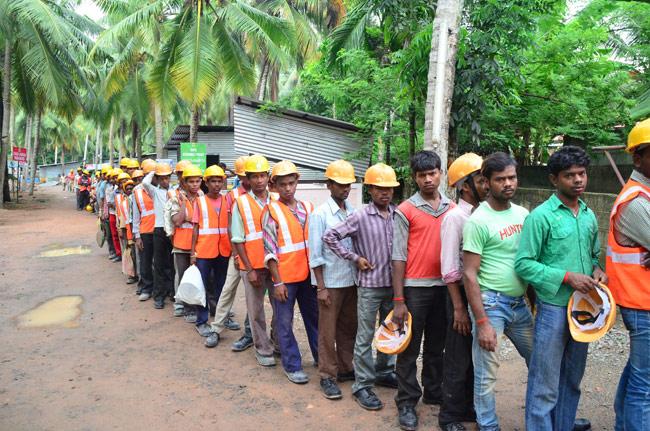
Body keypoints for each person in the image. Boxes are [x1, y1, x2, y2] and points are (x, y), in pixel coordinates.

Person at [514, 146, 605, 431]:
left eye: (582, 174)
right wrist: (567, 276)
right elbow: (524, 264)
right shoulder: (540, 217)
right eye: (570, 175)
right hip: (553, 309)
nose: (578, 180)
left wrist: (597, 270)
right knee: (545, 383)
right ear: (554, 180)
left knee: (572, 380)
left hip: (584, 308)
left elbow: (593, 256)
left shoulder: (589, 215)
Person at [462, 152, 533, 431]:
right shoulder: (478, 220)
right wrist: (481, 323)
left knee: (539, 359)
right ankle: (488, 425)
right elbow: (469, 273)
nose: (508, 184)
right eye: (500, 179)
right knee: (487, 373)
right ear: (486, 182)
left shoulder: (523, 214)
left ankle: (543, 416)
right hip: (491, 304)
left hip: (519, 304)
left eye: (512, 177)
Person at [323, 163, 399, 411]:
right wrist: (354, 257)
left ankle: (385, 371)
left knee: (390, 333)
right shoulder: (360, 216)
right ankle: (363, 385)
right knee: (365, 336)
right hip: (369, 286)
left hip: (393, 286)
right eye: (379, 188)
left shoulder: (398, 214)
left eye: (388, 188)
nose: (384, 193)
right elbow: (330, 236)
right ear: (370, 189)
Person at [390, 151, 454, 431]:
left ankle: (433, 391)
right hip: (415, 289)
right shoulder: (405, 210)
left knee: (437, 347)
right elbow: (398, 257)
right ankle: (406, 402)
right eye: (422, 175)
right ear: (415, 178)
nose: (428, 179)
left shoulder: (452, 208)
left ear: (441, 174)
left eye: (433, 173)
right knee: (408, 347)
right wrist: (399, 299)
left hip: (445, 287)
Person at [439, 153, 488, 431]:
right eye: (481, 181)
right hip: (458, 294)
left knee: (474, 356)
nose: (487, 185)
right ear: (466, 186)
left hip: (477, 294)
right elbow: (449, 268)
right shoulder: (455, 218)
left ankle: (468, 406)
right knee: (457, 356)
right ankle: (449, 416)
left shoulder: (482, 215)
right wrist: (458, 308)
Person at [608, 118, 650, 431]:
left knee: (637, 375)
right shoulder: (635, 201)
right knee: (644, 386)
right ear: (637, 158)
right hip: (642, 305)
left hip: (642, 302)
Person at [263, 160, 318, 384]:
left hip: (308, 277)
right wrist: (277, 282)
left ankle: (321, 358)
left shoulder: (308, 208)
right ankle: (292, 365)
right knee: (284, 324)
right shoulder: (271, 211)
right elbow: (269, 249)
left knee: (314, 320)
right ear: (275, 186)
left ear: (297, 182)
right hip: (285, 279)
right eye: (283, 184)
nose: (287, 188)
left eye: (291, 183)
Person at [309, 160, 358, 399]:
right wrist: (321, 287)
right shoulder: (320, 215)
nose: (345, 188)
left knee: (349, 328)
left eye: (348, 184)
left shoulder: (353, 211)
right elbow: (315, 254)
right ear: (329, 185)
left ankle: (346, 367)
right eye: (340, 184)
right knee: (327, 331)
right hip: (330, 282)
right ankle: (327, 375)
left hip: (351, 280)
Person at [231, 154, 277, 367]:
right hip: (253, 266)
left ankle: (277, 343)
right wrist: (248, 268)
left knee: (281, 308)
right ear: (247, 179)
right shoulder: (240, 203)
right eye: (254, 176)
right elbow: (238, 239)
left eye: (262, 175)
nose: (259, 180)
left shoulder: (277, 200)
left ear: (268, 177)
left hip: (276, 266)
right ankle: (263, 348)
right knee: (256, 310)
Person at [208, 156, 251, 349]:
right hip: (238, 251)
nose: (249, 180)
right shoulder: (232, 196)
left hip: (257, 254)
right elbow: (230, 228)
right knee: (228, 289)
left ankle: (250, 333)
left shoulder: (263, 196)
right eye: (246, 176)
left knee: (254, 296)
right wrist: (235, 254)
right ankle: (216, 328)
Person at [189, 165, 231, 347]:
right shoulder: (200, 201)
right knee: (203, 287)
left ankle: (222, 318)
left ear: (223, 182)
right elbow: (196, 228)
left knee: (223, 287)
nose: (216, 184)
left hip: (224, 250)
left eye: (219, 181)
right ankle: (201, 321)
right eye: (212, 181)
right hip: (204, 251)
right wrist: (193, 252)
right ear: (206, 183)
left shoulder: (228, 200)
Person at [142, 163, 174, 309]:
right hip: (159, 230)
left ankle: (172, 292)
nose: (165, 181)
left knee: (172, 263)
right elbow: (144, 182)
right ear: (158, 179)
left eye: (167, 177)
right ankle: (159, 296)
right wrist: (154, 171)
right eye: (162, 178)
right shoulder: (154, 192)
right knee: (159, 264)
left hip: (173, 231)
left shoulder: (175, 191)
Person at [167, 161, 196, 318]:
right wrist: (184, 203)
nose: (192, 183)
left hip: (197, 243)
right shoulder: (174, 195)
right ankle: (180, 304)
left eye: (195, 180)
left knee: (193, 276)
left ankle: (191, 304)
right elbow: (177, 221)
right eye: (187, 178)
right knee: (182, 274)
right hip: (180, 242)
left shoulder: (201, 196)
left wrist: (189, 218)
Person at [132, 160, 157, 300]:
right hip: (145, 231)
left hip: (161, 231)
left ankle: (162, 288)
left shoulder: (162, 189)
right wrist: (137, 236)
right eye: (149, 174)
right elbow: (135, 215)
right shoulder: (137, 192)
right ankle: (147, 288)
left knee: (161, 262)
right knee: (145, 262)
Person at [106, 168, 123, 262]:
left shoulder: (123, 188)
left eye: (116, 177)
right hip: (113, 213)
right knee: (115, 235)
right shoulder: (111, 190)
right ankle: (118, 253)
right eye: (113, 178)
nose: (114, 179)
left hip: (121, 215)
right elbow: (110, 204)